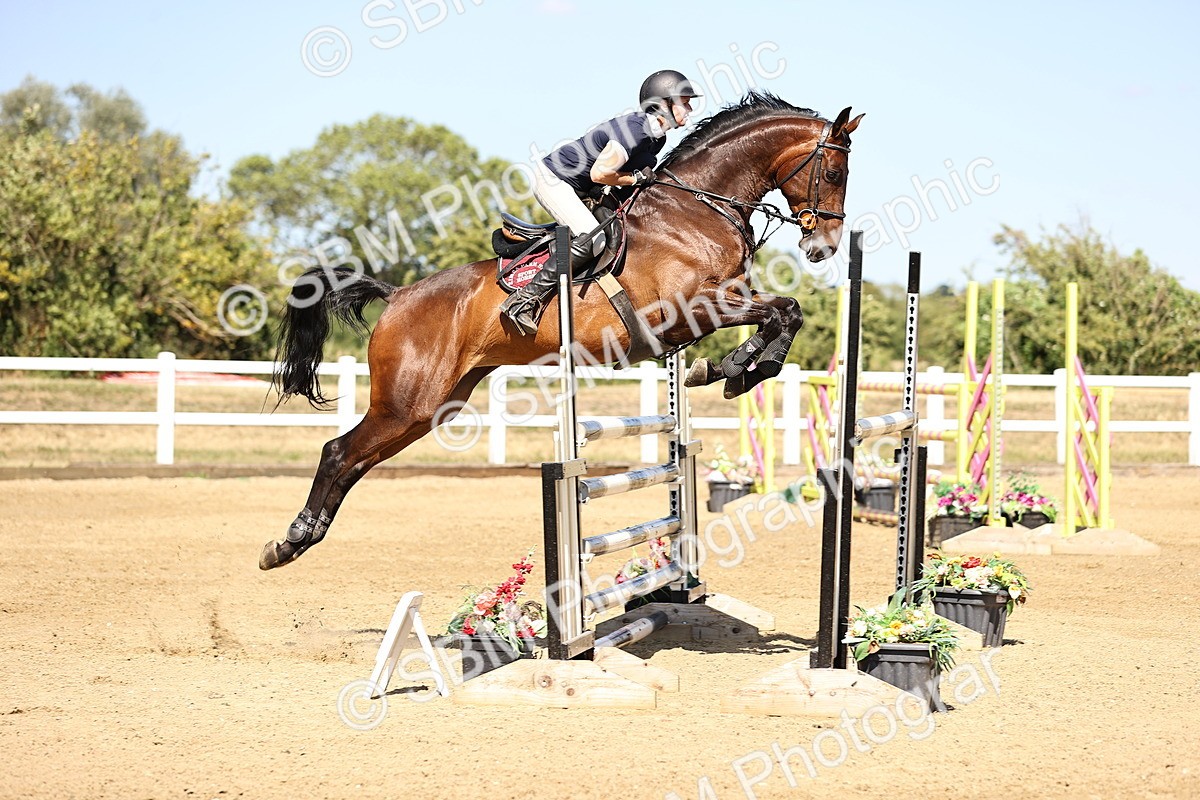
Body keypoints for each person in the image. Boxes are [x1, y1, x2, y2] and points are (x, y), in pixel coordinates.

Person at [500, 69, 702, 335]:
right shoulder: (636, 130)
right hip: (555, 180)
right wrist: (636, 178)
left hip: (585, 188)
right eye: (684, 102)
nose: (689, 108)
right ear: (663, 103)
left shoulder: (657, 137)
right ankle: (524, 299)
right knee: (591, 239)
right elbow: (601, 173)